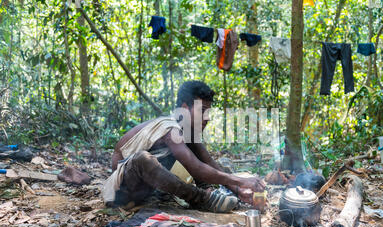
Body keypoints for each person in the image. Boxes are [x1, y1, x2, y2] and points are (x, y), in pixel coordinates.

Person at [102, 80, 266, 213]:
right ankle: (202, 198)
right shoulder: (170, 128)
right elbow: (195, 167)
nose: (207, 118)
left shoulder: (188, 131)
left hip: (145, 191)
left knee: (195, 157)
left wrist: (238, 189)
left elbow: (207, 162)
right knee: (142, 159)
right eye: (202, 110)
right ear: (185, 109)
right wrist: (242, 180)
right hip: (121, 190)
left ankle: (206, 190)